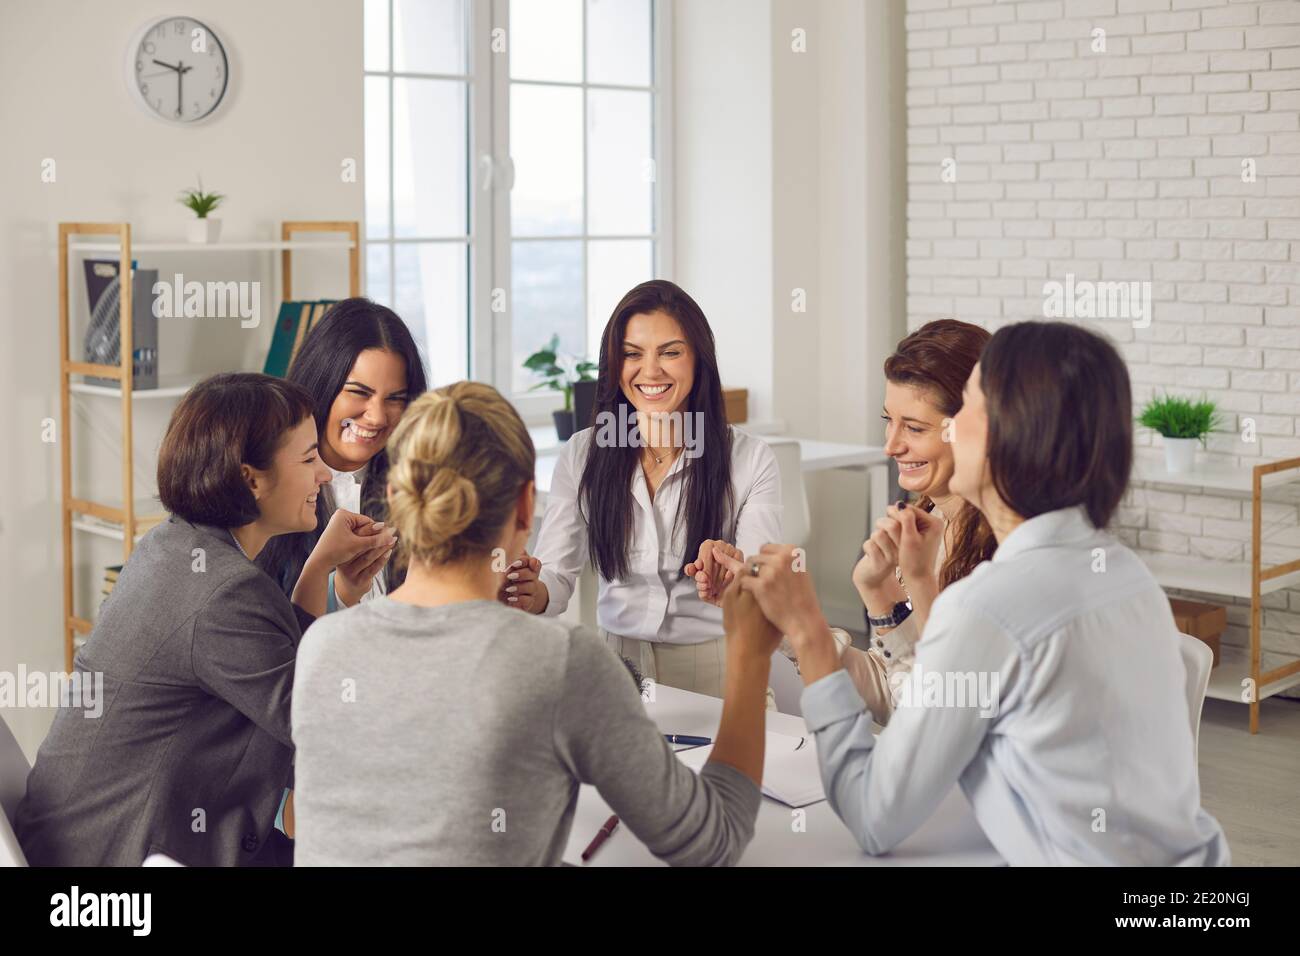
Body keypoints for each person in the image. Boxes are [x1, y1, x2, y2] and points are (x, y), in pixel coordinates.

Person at [718, 322, 1231, 866]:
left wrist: (808, 633)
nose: (945, 429)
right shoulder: (1127, 575)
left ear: (1011, 435)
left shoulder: (993, 604)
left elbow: (873, 816)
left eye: (965, 409)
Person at [290, 382, 780, 865]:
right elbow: (711, 841)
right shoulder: (560, 663)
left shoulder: (321, 646)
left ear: (395, 496)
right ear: (527, 507)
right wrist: (750, 654)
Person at [15, 373, 378, 866]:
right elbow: (320, 725)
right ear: (252, 478)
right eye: (309, 458)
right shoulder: (225, 592)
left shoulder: (173, 547)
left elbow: (288, 683)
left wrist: (318, 571)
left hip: (81, 843)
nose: (322, 475)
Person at [506, 280, 783, 697]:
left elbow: (762, 589)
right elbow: (557, 576)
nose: (650, 371)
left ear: (698, 361)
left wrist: (735, 577)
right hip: (617, 669)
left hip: (721, 667)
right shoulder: (583, 453)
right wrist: (531, 593)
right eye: (633, 354)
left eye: (670, 352)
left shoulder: (751, 459)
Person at [784, 320, 996, 724]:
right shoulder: (925, 521)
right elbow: (894, 693)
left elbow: (951, 715)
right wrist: (787, 624)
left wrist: (900, 592)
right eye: (889, 420)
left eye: (914, 428)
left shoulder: (1004, 553)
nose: (891, 445)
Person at [257, 298, 426, 610]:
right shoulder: (265, 488)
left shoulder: (418, 483)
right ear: (322, 383)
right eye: (359, 392)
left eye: (395, 398)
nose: (377, 417)